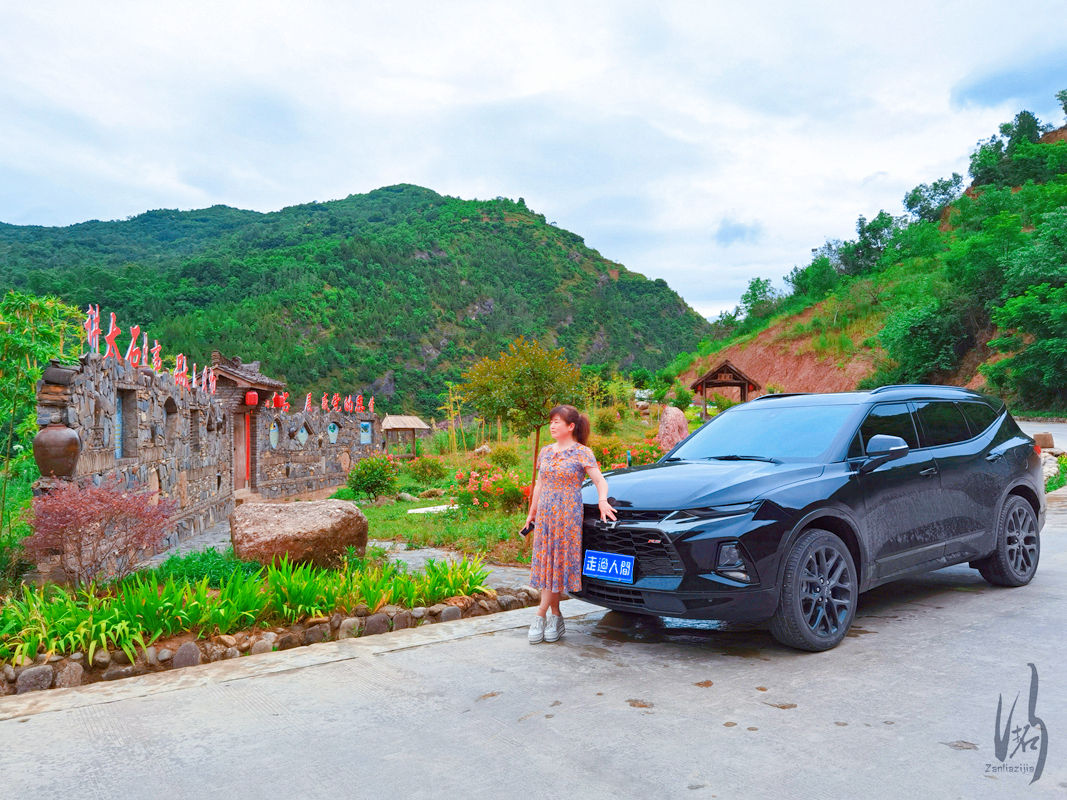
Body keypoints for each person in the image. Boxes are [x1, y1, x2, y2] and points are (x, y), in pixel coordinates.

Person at [524, 404, 616, 644]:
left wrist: (603, 501)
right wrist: (531, 514)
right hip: (545, 515)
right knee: (547, 564)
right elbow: (540, 485)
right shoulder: (545, 452)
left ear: (571, 426)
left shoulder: (582, 452)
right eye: (551, 421)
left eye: (557, 421)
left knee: (559, 563)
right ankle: (555, 615)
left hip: (567, 514)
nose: (552, 425)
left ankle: (540, 614)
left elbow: (600, 481)